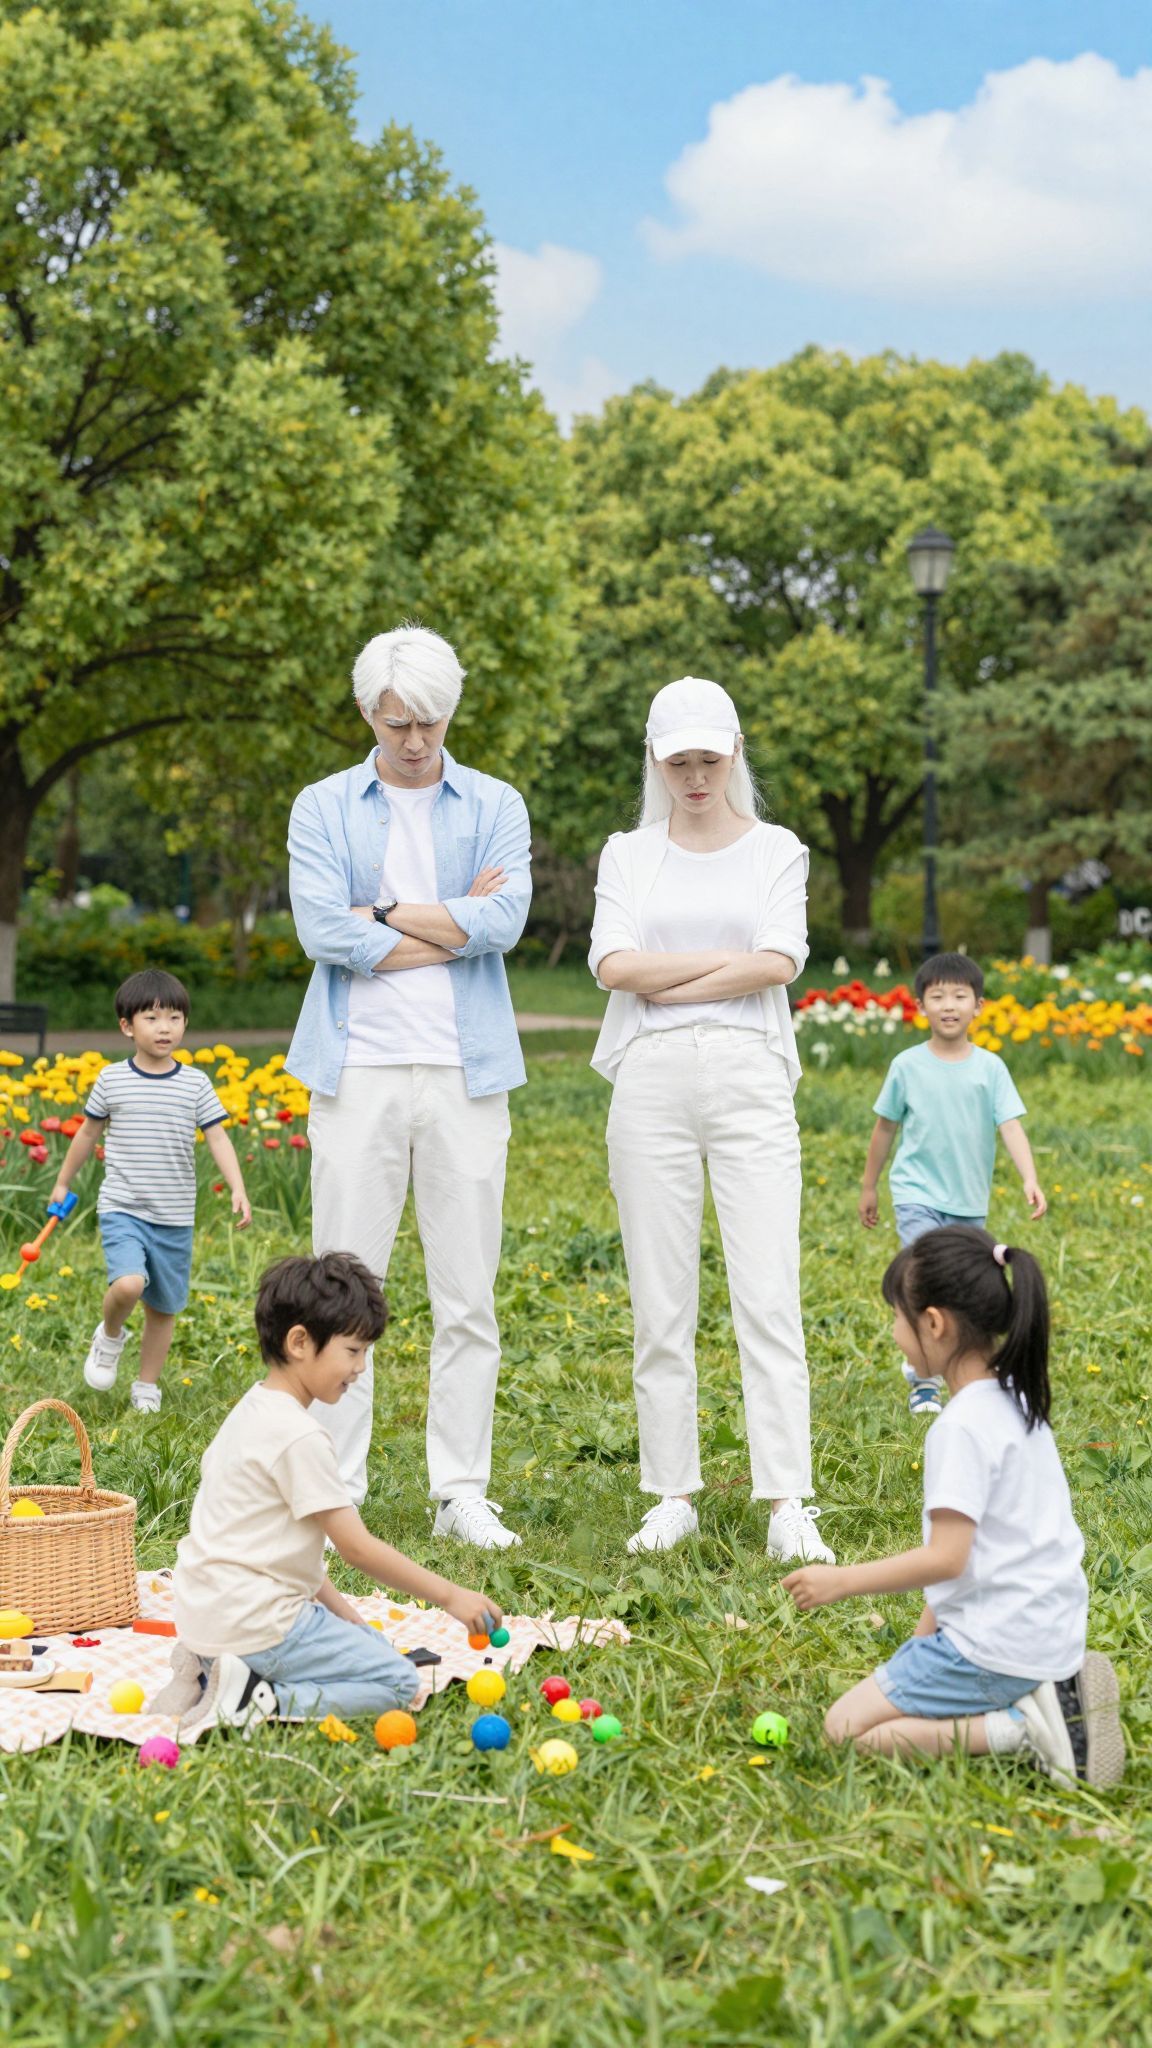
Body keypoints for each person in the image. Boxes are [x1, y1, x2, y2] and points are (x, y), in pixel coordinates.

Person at [286, 625, 531, 1549]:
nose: (417, 741)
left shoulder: (497, 803)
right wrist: (451, 929)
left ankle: (460, 1489)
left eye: (431, 722)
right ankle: (336, 1488)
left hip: (468, 1070)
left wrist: (383, 913)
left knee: (469, 1291)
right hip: (358, 1068)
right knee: (341, 1288)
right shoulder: (322, 806)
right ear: (367, 713)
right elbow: (322, 931)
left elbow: (504, 921)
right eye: (398, 725)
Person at [587, 676, 833, 1564]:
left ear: (735, 755)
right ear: (655, 761)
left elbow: (781, 960)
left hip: (749, 1074)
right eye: (678, 762)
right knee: (661, 1301)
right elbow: (612, 967)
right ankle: (672, 1493)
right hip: (648, 1079)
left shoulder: (775, 849)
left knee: (767, 1294)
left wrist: (672, 977)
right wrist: (722, 963)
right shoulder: (628, 853)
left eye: (709, 760)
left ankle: (788, 1500)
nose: (695, 778)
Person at [784, 1227, 1124, 1788]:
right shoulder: (1018, 1400)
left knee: (842, 1729)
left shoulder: (960, 1428)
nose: (894, 1333)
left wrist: (840, 1581)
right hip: (1050, 1631)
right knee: (893, 1694)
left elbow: (946, 1560)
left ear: (934, 1323)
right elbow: (974, 1562)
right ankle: (1043, 1692)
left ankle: (1022, 1730)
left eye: (897, 1318)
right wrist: (920, 1649)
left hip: (996, 1648)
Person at [166, 1253, 501, 1731]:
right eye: (353, 1350)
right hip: (259, 1626)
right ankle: (256, 1700)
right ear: (300, 1342)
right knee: (396, 1680)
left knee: (373, 1645)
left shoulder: (250, 1411)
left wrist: (350, 1621)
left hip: (205, 1616)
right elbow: (356, 1548)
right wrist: (451, 1596)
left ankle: (204, 1669)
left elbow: (291, 1560)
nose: (360, 1367)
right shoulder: (299, 1437)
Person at [49, 969, 251, 1414]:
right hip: (123, 1207)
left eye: (175, 1018)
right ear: (127, 1026)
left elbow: (217, 1137)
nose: (165, 1028)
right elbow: (87, 1134)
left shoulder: (195, 1084)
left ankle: (146, 1385)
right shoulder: (112, 1080)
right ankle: (110, 1335)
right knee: (129, 1284)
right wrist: (62, 1181)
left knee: (163, 1308)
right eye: (153, 1018)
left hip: (174, 1216)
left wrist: (238, 1186)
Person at [859, 952, 1047, 1416]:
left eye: (960, 996)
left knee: (960, 1291)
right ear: (920, 1005)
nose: (948, 1005)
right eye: (938, 996)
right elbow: (884, 1129)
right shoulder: (907, 1066)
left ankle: (963, 1372)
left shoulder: (991, 1068)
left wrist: (1030, 1177)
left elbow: (1011, 1126)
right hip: (916, 1193)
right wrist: (869, 1186)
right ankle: (924, 1380)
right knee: (925, 1283)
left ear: (978, 1006)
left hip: (967, 1202)